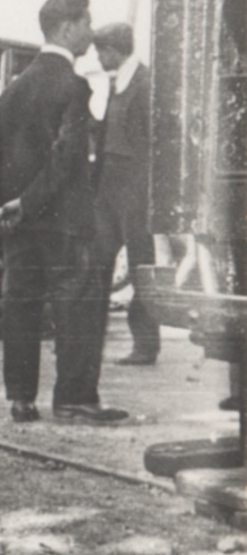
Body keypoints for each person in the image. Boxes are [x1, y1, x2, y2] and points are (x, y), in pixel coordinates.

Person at [0, 0, 127, 424]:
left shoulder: (13, 89)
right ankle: (74, 399)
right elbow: (66, 155)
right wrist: (27, 202)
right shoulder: (74, 86)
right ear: (67, 27)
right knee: (76, 305)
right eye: (86, 23)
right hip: (63, 219)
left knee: (21, 304)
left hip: (16, 222)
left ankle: (21, 399)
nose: (91, 31)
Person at [91, 22, 159, 366]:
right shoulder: (118, 82)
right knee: (97, 261)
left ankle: (146, 345)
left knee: (141, 265)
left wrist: (143, 192)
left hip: (134, 187)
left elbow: (150, 145)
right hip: (110, 186)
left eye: (100, 51)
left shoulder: (146, 83)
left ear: (113, 49)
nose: (97, 57)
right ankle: (86, 341)